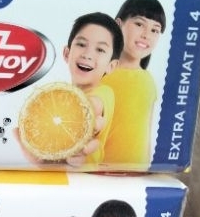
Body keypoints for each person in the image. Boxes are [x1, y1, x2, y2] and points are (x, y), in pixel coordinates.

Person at [15, 12, 122, 169]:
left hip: (88, 176)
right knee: (17, 133)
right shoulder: (66, 95)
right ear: (66, 53)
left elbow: (93, 106)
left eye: (100, 49)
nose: (88, 55)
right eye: (81, 44)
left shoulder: (104, 92)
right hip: (65, 173)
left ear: (111, 66)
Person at [103, 0, 167, 169]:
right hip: (96, 172)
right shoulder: (99, 74)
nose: (146, 35)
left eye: (155, 30)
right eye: (139, 24)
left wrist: (145, 170)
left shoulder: (148, 81)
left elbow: (146, 136)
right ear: (118, 24)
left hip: (134, 175)